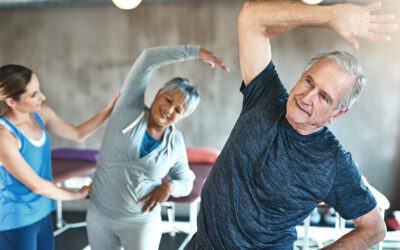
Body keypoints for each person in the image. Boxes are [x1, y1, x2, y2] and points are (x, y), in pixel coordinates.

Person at [188, 1, 398, 249]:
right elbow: (251, 17)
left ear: (337, 113)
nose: (307, 97)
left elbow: (374, 228)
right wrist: (329, 16)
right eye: (309, 81)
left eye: (324, 97)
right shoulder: (264, 96)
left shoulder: (333, 162)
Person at [86, 44, 229, 250]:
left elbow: (186, 181)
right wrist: (194, 52)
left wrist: (169, 186)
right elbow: (147, 59)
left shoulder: (175, 142)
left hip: (141, 222)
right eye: (168, 99)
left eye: (178, 109)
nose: (169, 110)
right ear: (158, 93)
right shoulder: (127, 110)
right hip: (99, 217)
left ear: (183, 116)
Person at [0, 64, 118, 250]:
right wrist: (78, 194)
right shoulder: (4, 136)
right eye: (33, 94)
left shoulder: (40, 114)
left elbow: (78, 133)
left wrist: (108, 110)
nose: (42, 97)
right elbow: (38, 185)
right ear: (11, 102)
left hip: (43, 211)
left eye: (38, 90)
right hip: (16, 219)